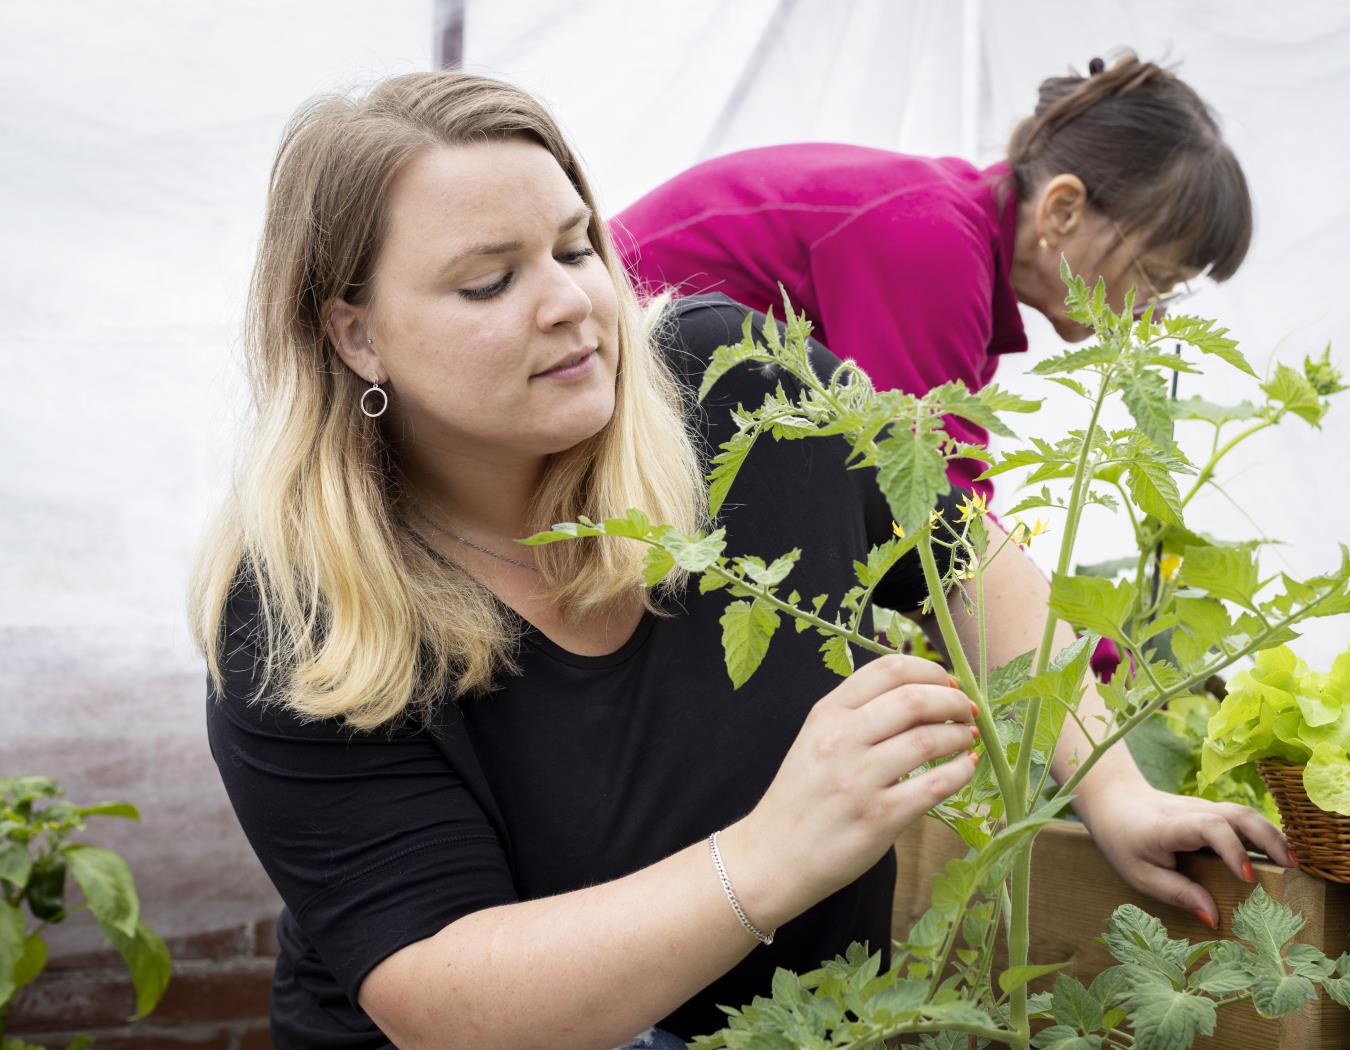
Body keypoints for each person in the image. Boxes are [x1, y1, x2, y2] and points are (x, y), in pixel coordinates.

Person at [192, 72, 1287, 1050]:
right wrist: (773, 854)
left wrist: (1116, 792)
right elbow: (442, 1001)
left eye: (577, 247)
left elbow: (955, 547)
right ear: (355, 334)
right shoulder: (304, 619)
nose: (573, 301)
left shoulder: (735, 384)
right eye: (489, 281)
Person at [612, 51, 1251, 500]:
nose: (1155, 310)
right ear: (1062, 209)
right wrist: (1093, 665)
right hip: (594, 397)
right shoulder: (933, 245)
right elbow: (934, 507)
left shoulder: (953, 236)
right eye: (1155, 275)